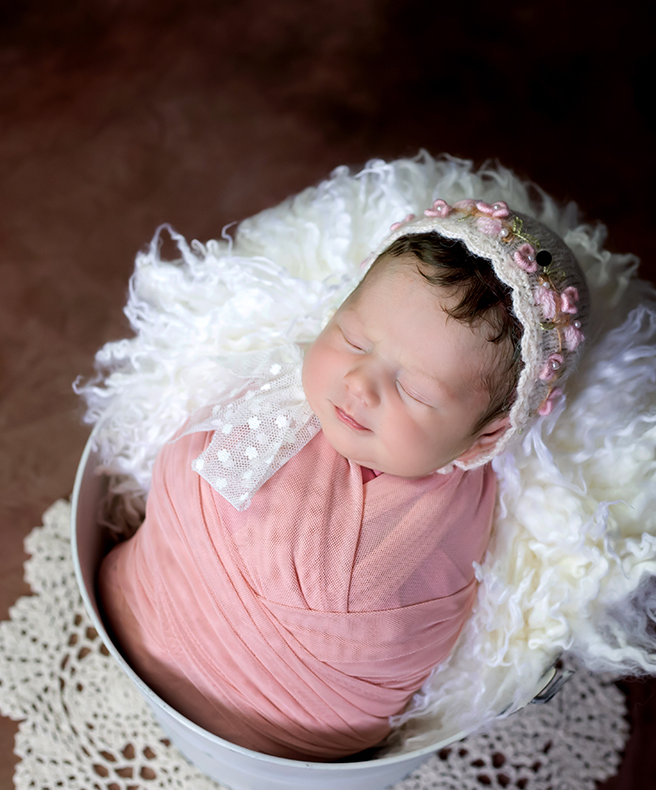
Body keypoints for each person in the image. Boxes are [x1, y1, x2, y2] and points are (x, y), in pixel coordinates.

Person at [97, 198, 591, 760]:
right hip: (130, 610)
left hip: (277, 740)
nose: (359, 384)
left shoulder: (442, 519)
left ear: (486, 438)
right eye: (354, 339)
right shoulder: (284, 394)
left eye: (417, 391)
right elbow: (185, 475)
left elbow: (390, 631)